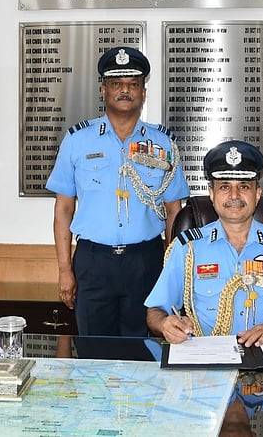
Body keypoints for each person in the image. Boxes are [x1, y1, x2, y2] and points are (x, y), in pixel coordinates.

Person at [46, 47, 190, 336]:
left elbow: (174, 211)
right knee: (94, 352)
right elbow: (63, 209)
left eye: (133, 84)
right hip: (93, 260)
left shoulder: (163, 144)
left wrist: (171, 268)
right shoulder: (78, 140)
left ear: (143, 92)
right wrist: (65, 270)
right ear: (103, 90)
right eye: (117, 84)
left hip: (146, 260)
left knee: (144, 352)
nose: (125, 91)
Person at [145, 140, 263, 347]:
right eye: (225, 186)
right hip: (206, 359)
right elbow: (154, 311)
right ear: (212, 195)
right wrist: (165, 324)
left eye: (243, 186)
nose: (234, 195)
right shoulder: (187, 249)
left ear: (257, 194)